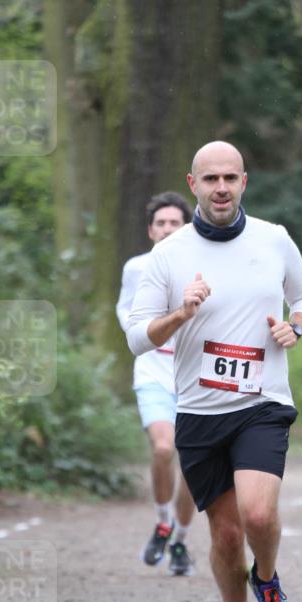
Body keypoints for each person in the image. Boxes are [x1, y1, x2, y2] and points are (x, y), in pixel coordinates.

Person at [126, 142, 302, 602]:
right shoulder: (168, 255)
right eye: (210, 178)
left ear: (244, 182)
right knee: (227, 536)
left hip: (263, 402)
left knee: (258, 514)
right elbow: (138, 337)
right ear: (193, 184)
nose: (221, 188)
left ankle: (271, 584)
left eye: (230, 178)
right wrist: (181, 313)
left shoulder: (274, 239)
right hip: (200, 411)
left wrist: (295, 326)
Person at [117, 192, 197, 576]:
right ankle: (163, 522)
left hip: (197, 377)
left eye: (174, 223)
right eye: (161, 223)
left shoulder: (202, 268)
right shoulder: (136, 268)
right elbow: (125, 311)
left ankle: (180, 541)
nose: (167, 229)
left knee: (195, 465)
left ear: (187, 229)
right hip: (153, 372)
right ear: (151, 230)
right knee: (164, 448)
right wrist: (143, 332)